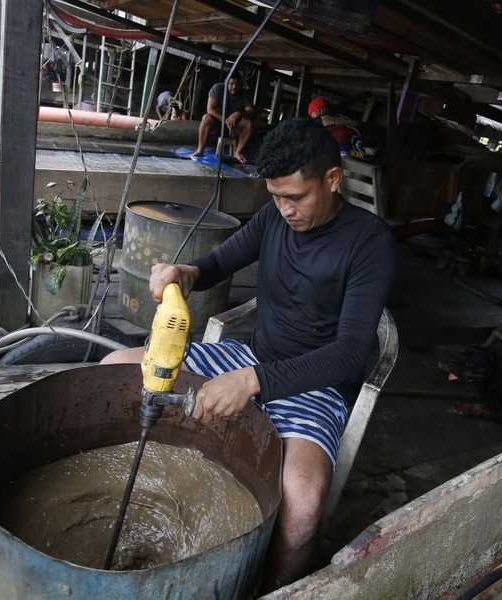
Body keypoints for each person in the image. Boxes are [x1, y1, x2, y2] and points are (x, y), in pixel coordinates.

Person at [102, 117, 397, 590]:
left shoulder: (370, 243)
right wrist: (185, 271)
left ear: (333, 179)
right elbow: (218, 263)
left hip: (315, 385)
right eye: (276, 196)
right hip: (249, 357)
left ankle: (272, 589)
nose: (284, 209)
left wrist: (254, 381)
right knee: (112, 372)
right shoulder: (274, 215)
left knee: (301, 512)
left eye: (295, 197)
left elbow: (347, 355)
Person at [191, 70, 255, 164]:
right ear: (226, 82)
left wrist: (239, 114)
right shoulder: (218, 89)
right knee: (206, 117)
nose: (234, 87)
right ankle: (200, 150)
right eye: (231, 83)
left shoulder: (244, 93)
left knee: (249, 123)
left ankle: (237, 152)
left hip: (235, 127)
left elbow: (251, 111)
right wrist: (226, 121)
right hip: (218, 124)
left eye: (237, 84)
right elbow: (210, 109)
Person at [308, 96, 366, 160]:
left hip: (342, 156)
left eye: (311, 115)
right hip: (360, 155)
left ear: (317, 112)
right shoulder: (344, 118)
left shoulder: (318, 120)